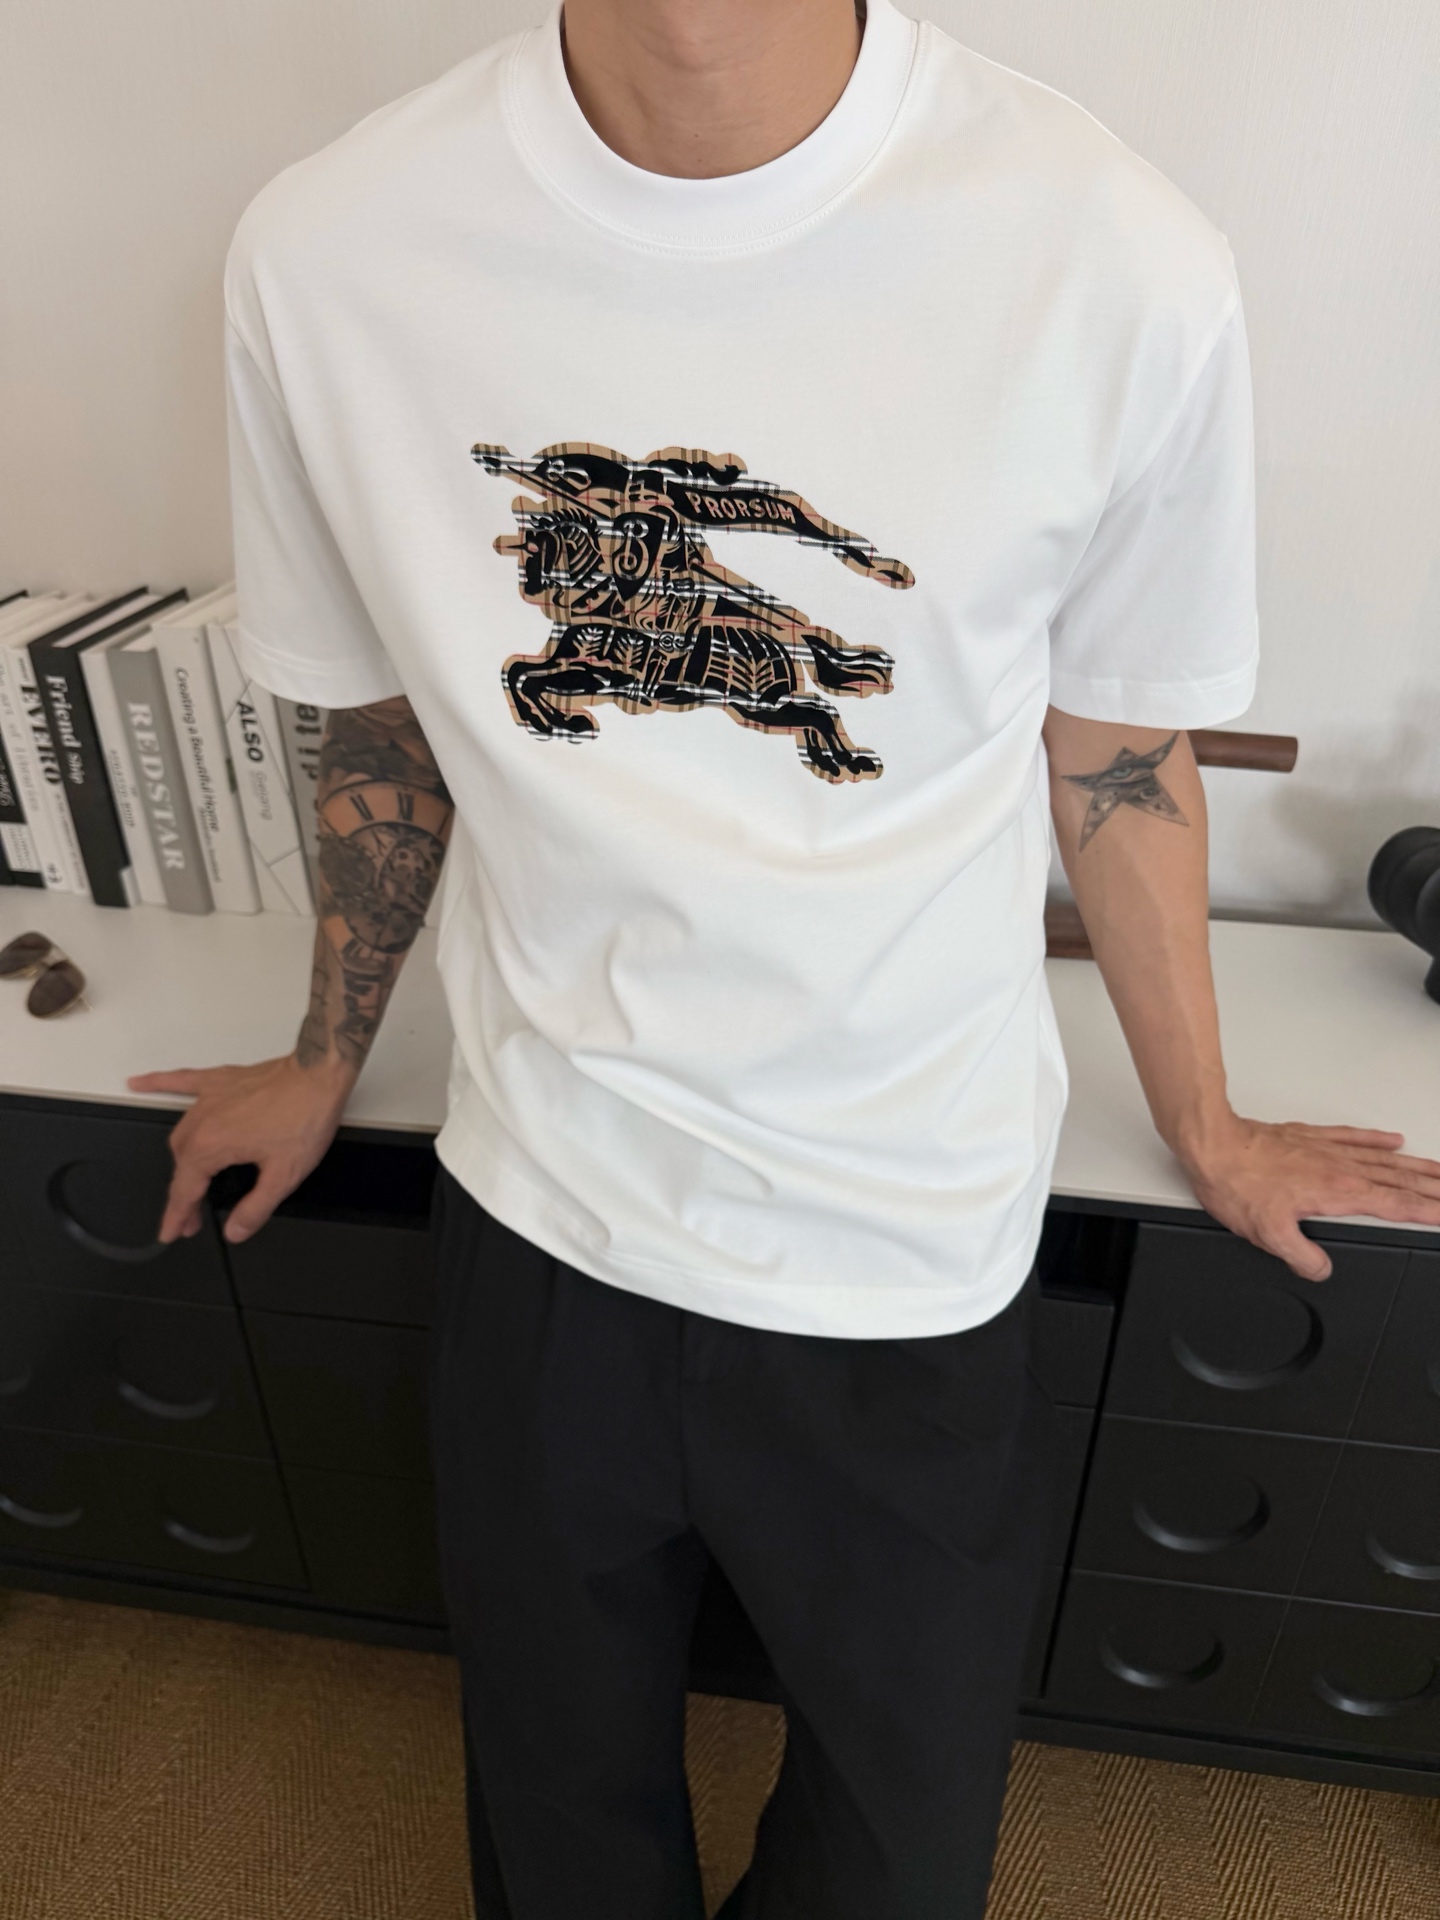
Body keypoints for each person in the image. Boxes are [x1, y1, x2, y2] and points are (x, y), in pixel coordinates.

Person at [131, 3, 1440, 1915]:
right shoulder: (327, 250)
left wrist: (1211, 1123)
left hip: (906, 1237)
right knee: (555, 1822)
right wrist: (323, 1055)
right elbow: (380, 725)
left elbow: (1117, 749)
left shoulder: (1116, 255)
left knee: (898, 1855)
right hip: (542, 1209)